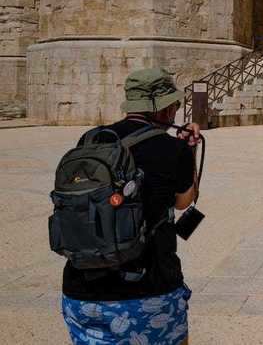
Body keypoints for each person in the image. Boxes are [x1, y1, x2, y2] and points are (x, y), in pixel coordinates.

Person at [61, 68, 201, 345]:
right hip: (148, 292)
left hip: (82, 292)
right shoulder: (173, 148)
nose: (175, 112)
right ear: (160, 109)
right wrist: (189, 151)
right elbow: (185, 201)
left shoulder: (92, 139)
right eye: (173, 105)